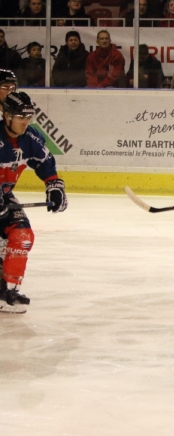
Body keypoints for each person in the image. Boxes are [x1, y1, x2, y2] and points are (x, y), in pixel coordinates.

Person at [0, 91, 68, 314]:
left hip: (4, 197)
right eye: (20, 117)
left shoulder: (31, 137)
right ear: (6, 115)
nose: (25, 122)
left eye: (28, 117)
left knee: (22, 235)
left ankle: (8, 290)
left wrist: (55, 186)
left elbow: (46, 164)